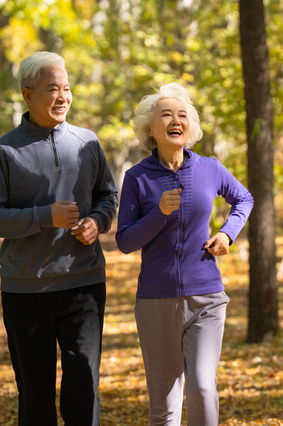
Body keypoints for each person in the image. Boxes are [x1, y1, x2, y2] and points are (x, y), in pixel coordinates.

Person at [0, 51, 118, 426]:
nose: (62, 97)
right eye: (52, 89)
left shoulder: (87, 142)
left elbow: (108, 195)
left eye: (67, 89)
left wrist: (96, 222)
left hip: (84, 283)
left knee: (84, 385)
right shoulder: (5, 150)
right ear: (27, 95)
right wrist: (44, 217)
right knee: (35, 394)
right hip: (26, 289)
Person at [116, 83, 253, 426]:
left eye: (182, 115)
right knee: (164, 404)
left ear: (189, 126)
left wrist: (227, 233)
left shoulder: (209, 168)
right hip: (155, 300)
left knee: (203, 387)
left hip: (206, 294)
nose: (175, 120)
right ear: (151, 129)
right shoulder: (137, 178)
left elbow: (244, 199)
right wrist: (158, 213)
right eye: (166, 114)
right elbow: (125, 241)